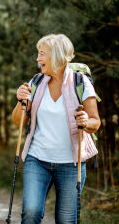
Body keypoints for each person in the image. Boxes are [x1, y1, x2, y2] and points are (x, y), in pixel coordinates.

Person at [12, 34, 100, 224]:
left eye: (42, 54)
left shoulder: (80, 83)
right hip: (37, 159)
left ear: (57, 56)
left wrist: (86, 121)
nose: (38, 59)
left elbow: (95, 122)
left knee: (66, 220)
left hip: (71, 163)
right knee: (30, 212)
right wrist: (21, 102)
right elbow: (19, 121)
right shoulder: (36, 82)